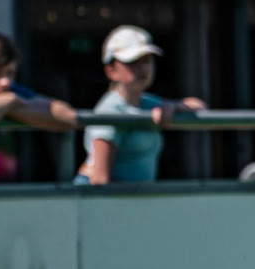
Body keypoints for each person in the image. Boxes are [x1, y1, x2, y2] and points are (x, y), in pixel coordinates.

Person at [78, 26, 205, 186]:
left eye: (146, 60)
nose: (142, 68)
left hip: (130, 199)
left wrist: (173, 107)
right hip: (110, 199)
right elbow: (99, 182)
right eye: (131, 62)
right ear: (111, 71)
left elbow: (199, 106)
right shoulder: (109, 110)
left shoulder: (148, 102)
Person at [0, 31, 78, 180]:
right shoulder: (9, 96)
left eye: (10, 73)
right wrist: (7, 102)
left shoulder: (10, 92)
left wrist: (9, 102)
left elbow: (68, 117)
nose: (5, 82)